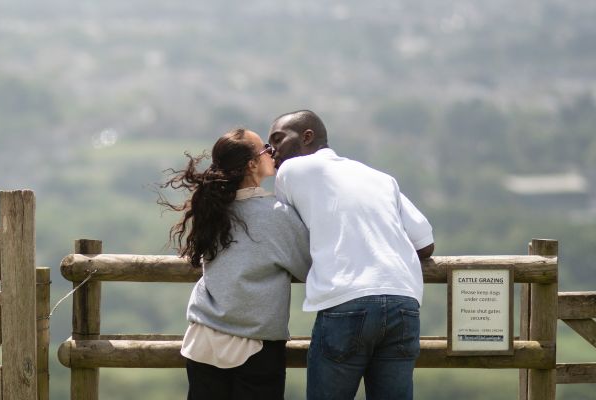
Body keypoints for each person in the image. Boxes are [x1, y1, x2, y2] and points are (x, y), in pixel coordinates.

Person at [268, 110, 435, 400]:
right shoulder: (380, 178)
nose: (271, 151)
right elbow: (425, 244)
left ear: (307, 136)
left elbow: (288, 235)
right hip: (404, 301)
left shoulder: (291, 171)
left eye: (277, 140)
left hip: (346, 299)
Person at [160, 128, 311, 400]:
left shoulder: (212, 210)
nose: (272, 152)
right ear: (252, 164)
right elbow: (306, 268)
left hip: (203, 338)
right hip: (256, 345)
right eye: (266, 148)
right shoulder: (277, 215)